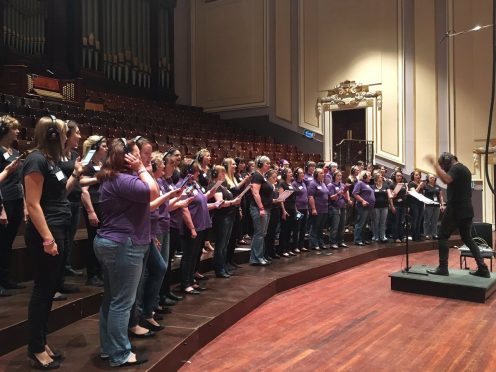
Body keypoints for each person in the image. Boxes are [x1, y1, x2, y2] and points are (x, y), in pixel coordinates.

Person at [93, 138, 159, 367]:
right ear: (127, 158)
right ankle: (119, 353)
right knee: (122, 302)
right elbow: (153, 191)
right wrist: (141, 169)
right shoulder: (124, 180)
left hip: (110, 241)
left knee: (111, 300)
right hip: (124, 244)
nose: (140, 157)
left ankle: (108, 348)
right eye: (136, 154)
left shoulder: (111, 177)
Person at [24, 116, 82, 369]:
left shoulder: (52, 161)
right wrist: (48, 238)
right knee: (42, 290)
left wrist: (77, 176)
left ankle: (41, 340)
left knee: (49, 291)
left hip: (59, 227)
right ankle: (35, 347)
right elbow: (32, 203)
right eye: (61, 132)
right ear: (51, 135)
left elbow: (62, 192)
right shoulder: (36, 160)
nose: (66, 136)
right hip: (46, 231)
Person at [426, 153, 490, 277]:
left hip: (456, 208)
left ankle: (443, 268)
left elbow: (446, 179)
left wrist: (434, 165)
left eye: (443, 166)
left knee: (443, 235)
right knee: (467, 238)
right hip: (467, 209)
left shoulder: (455, 168)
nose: (444, 169)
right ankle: (483, 268)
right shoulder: (465, 168)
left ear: (448, 161)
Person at [0, 115, 26, 294]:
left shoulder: (15, 152)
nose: (17, 131)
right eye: (14, 128)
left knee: (7, 242)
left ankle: (6, 278)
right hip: (4, 200)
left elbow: (20, 181)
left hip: (17, 199)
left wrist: (24, 205)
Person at [80, 135, 108, 286]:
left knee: (101, 239)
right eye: (103, 145)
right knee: (93, 240)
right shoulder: (86, 162)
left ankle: (100, 271)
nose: (106, 148)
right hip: (93, 205)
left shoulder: (101, 163)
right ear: (96, 147)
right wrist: (91, 212)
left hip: (102, 204)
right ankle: (92, 275)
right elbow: (83, 188)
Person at [209, 165, 241, 277]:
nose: (223, 175)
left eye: (224, 172)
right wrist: (233, 202)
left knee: (225, 244)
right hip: (222, 218)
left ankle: (223, 266)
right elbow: (220, 203)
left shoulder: (223, 186)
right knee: (221, 245)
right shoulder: (215, 186)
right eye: (221, 173)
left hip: (229, 216)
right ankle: (219, 269)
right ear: (215, 174)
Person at [248, 156, 273, 265]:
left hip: (266, 208)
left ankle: (259, 256)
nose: (269, 165)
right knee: (259, 233)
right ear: (260, 164)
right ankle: (256, 258)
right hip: (259, 208)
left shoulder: (263, 176)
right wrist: (261, 208)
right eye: (267, 163)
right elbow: (255, 193)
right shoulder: (257, 176)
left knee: (262, 233)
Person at [307, 168, 329, 251]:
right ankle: (313, 243)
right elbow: (311, 197)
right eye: (321, 173)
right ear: (316, 175)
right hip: (317, 208)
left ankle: (320, 242)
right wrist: (313, 208)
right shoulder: (313, 184)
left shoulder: (323, 183)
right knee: (315, 227)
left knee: (321, 227)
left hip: (324, 209)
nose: (323, 174)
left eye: (323, 173)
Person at [278, 168, 299, 256]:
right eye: (289, 172)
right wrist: (283, 210)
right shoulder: (282, 184)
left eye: (291, 172)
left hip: (292, 209)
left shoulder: (292, 184)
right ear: (285, 174)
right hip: (286, 209)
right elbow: (281, 199)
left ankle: (288, 248)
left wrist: (296, 209)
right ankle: (282, 250)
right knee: (284, 230)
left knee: (290, 229)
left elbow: (294, 200)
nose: (291, 173)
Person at [327, 170, 350, 249]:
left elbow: (346, 197)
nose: (340, 177)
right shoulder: (331, 185)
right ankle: (332, 242)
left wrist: (346, 195)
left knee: (342, 226)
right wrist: (338, 194)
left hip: (343, 206)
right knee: (335, 226)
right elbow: (331, 197)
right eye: (338, 176)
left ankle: (340, 241)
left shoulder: (342, 185)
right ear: (334, 177)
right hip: (334, 207)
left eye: (340, 176)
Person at [352, 171, 375, 246]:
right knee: (360, 223)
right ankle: (357, 240)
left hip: (369, 207)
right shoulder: (360, 183)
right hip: (362, 207)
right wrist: (362, 201)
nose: (370, 177)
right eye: (368, 176)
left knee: (365, 224)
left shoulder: (367, 184)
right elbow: (354, 193)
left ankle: (362, 239)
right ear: (364, 176)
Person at [292, 167, 309, 252]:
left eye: (303, 173)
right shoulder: (294, 184)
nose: (303, 174)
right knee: (297, 228)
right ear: (296, 174)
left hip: (305, 208)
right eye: (300, 173)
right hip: (298, 209)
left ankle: (301, 245)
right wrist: (295, 209)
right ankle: (295, 246)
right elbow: (293, 198)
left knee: (303, 227)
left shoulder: (304, 183)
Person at [423, 174, 445, 239]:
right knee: (427, 220)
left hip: (437, 205)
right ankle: (426, 234)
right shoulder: (425, 186)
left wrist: (442, 204)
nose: (432, 179)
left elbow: (440, 196)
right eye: (431, 178)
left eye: (433, 178)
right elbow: (423, 195)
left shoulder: (438, 187)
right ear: (428, 179)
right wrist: (424, 204)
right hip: (428, 205)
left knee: (435, 220)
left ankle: (434, 234)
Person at [388, 170, 407, 243]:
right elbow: (390, 197)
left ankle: (401, 236)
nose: (399, 177)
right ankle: (396, 237)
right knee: (396, 222)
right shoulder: (392, 185)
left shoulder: (403, 185)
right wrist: (392, 206)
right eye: (398, 176)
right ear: (394, 177)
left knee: (402, 222)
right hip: (396, 205)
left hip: (403, 205)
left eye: (400, 176)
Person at [371, 172, 389, 242]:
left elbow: (389, 195)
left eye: (381, 177)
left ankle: (382, 236)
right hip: (376, 206)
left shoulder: (385, 185)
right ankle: (376, 236)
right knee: (376, 221)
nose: (380, 178)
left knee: (383, 222)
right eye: (379, 177)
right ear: (376, 179)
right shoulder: (373, 186)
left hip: (384, 206)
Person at [408, 169, 425, 241]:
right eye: (416, 175)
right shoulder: (411, 183)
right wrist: (419, 186)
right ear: (413, 176)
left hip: (420, 203)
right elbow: (414, 193)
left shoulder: (420, 184)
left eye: (419, 175)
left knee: (419, 220)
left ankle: (418, 235)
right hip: (414, 204)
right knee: (414, 220)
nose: (418, 176)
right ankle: (414, 236)